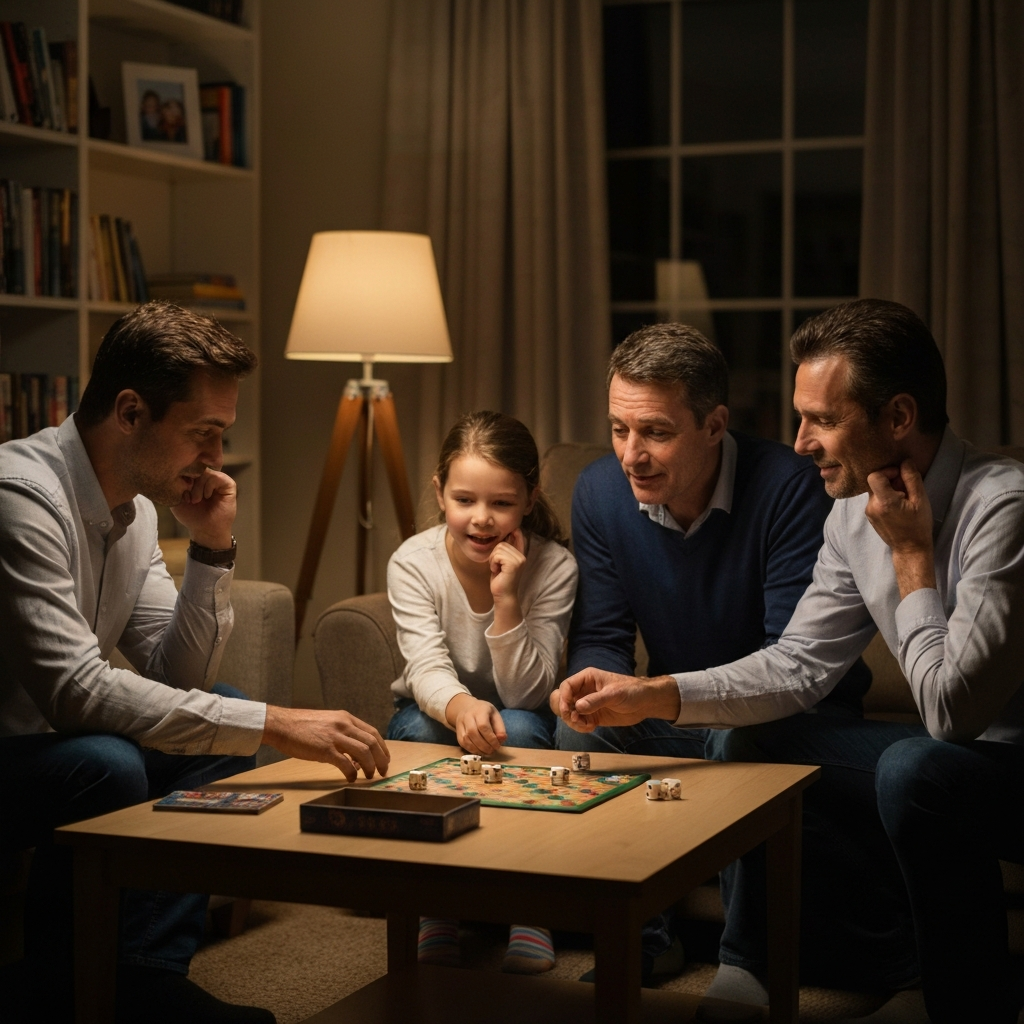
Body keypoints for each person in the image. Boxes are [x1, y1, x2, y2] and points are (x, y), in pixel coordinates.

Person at [554, 299, 1024, 1024]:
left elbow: (952, 714)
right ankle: (752, 965)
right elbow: (796, 665)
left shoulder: (1003, 506)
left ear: (899, 417)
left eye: (822, 420)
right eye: (801, 419)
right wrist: (654, 694)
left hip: (1005, 761)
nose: (801, 442)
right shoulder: (852, 512)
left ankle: (956, 1002)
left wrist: (911, 556)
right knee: (751, 738)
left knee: (915, 765)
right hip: (948, 752)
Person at [0, 302, 391, 1024]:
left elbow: (180, 679)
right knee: (109, 762)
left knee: (215, 737)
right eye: (202, 432)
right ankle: (62, 991)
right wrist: (274, 722)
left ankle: (145, 980)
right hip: (20, 750)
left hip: (54, 746)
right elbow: (75, 693)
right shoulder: (22, 498)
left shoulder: (136, 512)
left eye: (222, 434)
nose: (215, 456)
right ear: (130, 412)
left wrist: (211, 549)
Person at [552, 322, 869, 984]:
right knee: (582, 729)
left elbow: (790, 659)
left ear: (715, 425)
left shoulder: (790, 486)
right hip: (672, 709)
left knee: (735, 741)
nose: (631, 455)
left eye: (656, 432)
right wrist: (589, 688)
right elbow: (603, 635)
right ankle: (644, 938)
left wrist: (659, 695)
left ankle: (746, 962)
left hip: (793, 716)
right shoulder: (599, 493)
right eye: (618, 429)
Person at [386, 410, 578, 975]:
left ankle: (529, 907)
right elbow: (424, 667)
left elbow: (528, 691)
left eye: (501, 503)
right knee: (417, 732)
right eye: (464, 500)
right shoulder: (412, 562)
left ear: (529, 499)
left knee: (519, 729)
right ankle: (437, 908)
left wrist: (507, 597)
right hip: (434, 712)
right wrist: (461, 706)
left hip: (518, 716)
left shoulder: (555, 567)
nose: (481, 519)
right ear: (439, 492)